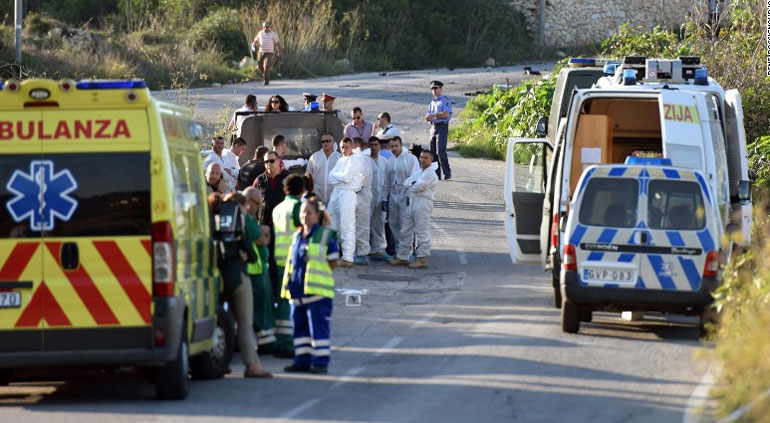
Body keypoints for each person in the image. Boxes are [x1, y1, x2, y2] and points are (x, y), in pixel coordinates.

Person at [214, 192, 273, 378]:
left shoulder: (215, 219)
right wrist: (247, 255)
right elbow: (252, 253)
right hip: (238, 276)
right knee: (245, 324)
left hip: (219, 277)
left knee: (225, 323)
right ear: (243, 205)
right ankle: (252, 366)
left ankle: (222, 363)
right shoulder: (238, 221)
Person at [281, 197, 340, 374]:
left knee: (318, 328)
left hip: (317, 292)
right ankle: (302, 360)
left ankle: (320, 362)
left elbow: (333, 262)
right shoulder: (296, 236)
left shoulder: (324, 235)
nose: (305, 215)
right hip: (297, 292)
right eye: (302, 212)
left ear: (317, 215)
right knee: (299, 328)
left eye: (309, 212)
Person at [271, 174, 306, 358]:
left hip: (279, 258)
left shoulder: (278, 208)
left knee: (281, 299)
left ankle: (279, 339)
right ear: (302, 190)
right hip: (293, 259)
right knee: (291, 301)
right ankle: (287, 343)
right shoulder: (297, 208)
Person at [253, 151, 290, 318]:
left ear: (279, 161)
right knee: (265, 263)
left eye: (272, 161)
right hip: (263, 227)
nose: (268, 164)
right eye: (266, 161)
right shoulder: (260, 180)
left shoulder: (287, 178)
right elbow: (252, 199)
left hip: (282, 230)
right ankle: (267, 296)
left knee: (279, 264)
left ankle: (280, 296)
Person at [242, 187, 278, 354]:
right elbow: (261, 241)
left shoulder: (249, 218)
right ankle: (266, 342)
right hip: (254, 271)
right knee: (260, 309)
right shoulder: (247, 219)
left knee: (264, 307)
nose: (259, 207)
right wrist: (265, 234)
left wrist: (264, 234)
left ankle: (266, 340)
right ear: (248, 201)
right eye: (257, 203)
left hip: (259, 269)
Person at [389, 151, 438, 269]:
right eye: (421, 157)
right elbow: (407, 182)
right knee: (405, 230)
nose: (423, 160)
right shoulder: (418, 172)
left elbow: (418, 186)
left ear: (431, 159)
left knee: (422, 231)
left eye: (426, 158)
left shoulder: (431, 174)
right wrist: (413, 184)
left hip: (423, 204)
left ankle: (422, 258)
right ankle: (403, 256)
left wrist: (413, 184)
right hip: (412, 203)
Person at [327, 137, 362, 268]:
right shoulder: (341, 160)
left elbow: (347, 178)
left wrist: (339, 176)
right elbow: (329, 178)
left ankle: (347, 257)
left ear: (352, 146)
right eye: (342, 147)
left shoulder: (356, 159)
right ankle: (334, 253)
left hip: (348, 193)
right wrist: (341, 177)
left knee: (347, 225)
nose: (344, 150)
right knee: (332, 224)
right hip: (336, 193)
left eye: (346, 147)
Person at [383, 136, 419, 258]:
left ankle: (406, 253)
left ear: (401, 144)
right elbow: (387, 182)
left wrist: (411, 196)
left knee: (405, 225)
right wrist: (384, 198)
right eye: (392, 146)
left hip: (406, 195)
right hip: (394, 195)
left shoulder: (410, 159)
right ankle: (400, 251)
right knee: (393, 223)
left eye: (396, 146)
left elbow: (414, 178)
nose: (394, 148)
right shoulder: (390, 161)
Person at [366, 137, 389, 259]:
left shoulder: (384, 161)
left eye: (375, 145)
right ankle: (364, 249)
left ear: (379, 146)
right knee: (365, 224)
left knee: (378, 224)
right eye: (371, 145)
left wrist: (385, 197)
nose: (374, 147)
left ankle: (376, 249)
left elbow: (387, 181)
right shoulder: (365, 161)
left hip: (380, 196)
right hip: (368, 196)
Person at [425, 80, 453, 180]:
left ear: (441, 89)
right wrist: (428, 118)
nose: (434, 90)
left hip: (442, 126)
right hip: (433, 126)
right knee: (432, 152)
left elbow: (446, 113)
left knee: (441, 150)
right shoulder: (432, 103)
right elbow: (429, 115)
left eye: (436, 88)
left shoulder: (444, 100)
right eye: (432, 88)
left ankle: (447, 172)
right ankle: (436, 174)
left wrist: (434, 115)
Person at [306, 133, 342, 206]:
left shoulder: (340, 158)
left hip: (335, 200)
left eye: (328, 140)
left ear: (333, 142)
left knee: (331, 217)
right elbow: (308, 176)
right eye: (323, 141)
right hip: (317, 199)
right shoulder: (314, 157)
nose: (325, 143)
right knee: (319, 217)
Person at [251, 21, 282, 85]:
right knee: (260, 66)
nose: (265, 28)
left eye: (267, 26)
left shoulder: (273, 34)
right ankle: (265, 74)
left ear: (269, 27)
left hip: (269, 52)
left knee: (266, 66)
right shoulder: (260, 33)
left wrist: (279, 52)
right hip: (261, 52)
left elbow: (278, 44)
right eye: (264, 27)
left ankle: (266, 81)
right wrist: (253, 44)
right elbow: (256, 39)